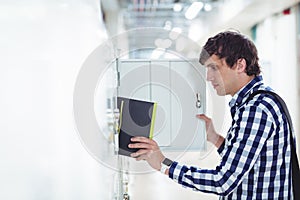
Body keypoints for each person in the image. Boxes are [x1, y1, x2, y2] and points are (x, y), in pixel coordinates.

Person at [128, 31, 295, 199]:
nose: (208, 77)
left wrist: (164, 164)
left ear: (240, 65)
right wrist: (215, 138)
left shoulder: (257, 108)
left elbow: (222, 181)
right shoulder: (254, 101)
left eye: (214, 68)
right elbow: (244, 161)